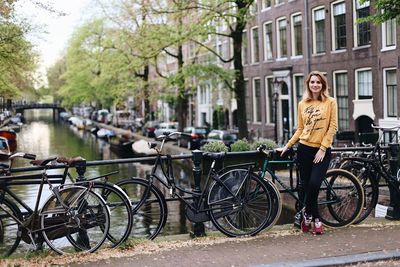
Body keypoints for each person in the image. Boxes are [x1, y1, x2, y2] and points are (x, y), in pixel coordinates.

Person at [276, 71, 337, 235]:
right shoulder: (302, 104)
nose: (315, 85)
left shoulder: (330, 102)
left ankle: (307, 214)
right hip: (304, 149)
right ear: (308, 85)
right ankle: (315, 219)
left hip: (321, 151)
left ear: (322, 84)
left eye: (318, 82)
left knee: (314, 184)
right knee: (306, 186)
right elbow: (301, 129)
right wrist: (287, 146)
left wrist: (323, 148)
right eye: (312, 82)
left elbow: (332, 127)